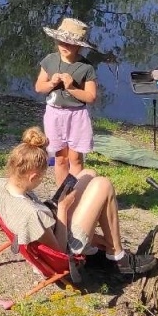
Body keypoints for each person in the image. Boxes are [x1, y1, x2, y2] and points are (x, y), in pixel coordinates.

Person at [0, 128, 156, 278]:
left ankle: (102, 246)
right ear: (33, 177)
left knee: (88, 173)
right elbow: (59, 251)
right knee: (103, 185)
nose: (42, 179)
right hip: (66, 247)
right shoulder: (31, 215)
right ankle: (118, 257)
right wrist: (62, 207)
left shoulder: (4, 188)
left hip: (52, 221)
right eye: (42, 177)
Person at [36, 17, 97, 188]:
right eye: (61, 41)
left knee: (75, 158)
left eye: (69, 43)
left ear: (79, 46)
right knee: (60, 158)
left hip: (77, 115)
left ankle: (76, 193)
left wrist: (71, 88)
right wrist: (51, 83)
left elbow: (91, 97)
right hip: (54, 114)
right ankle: (61, 195)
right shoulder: (50, 60)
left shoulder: (86, 67)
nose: (64, 45)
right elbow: (39, 87)